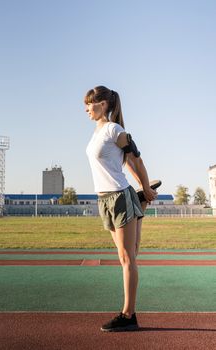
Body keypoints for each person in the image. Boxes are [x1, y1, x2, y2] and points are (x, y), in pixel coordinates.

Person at [85, 86, 157, 332]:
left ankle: (128, 315)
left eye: (89, 104)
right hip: (104, 201)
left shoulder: (114, 130)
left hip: (119, 196)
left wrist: (145, 187)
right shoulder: (96, 133)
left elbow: (135, 160)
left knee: (127, 259)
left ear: (103, 104)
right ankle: (141, 205)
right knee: (129, 255)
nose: (86, 109)